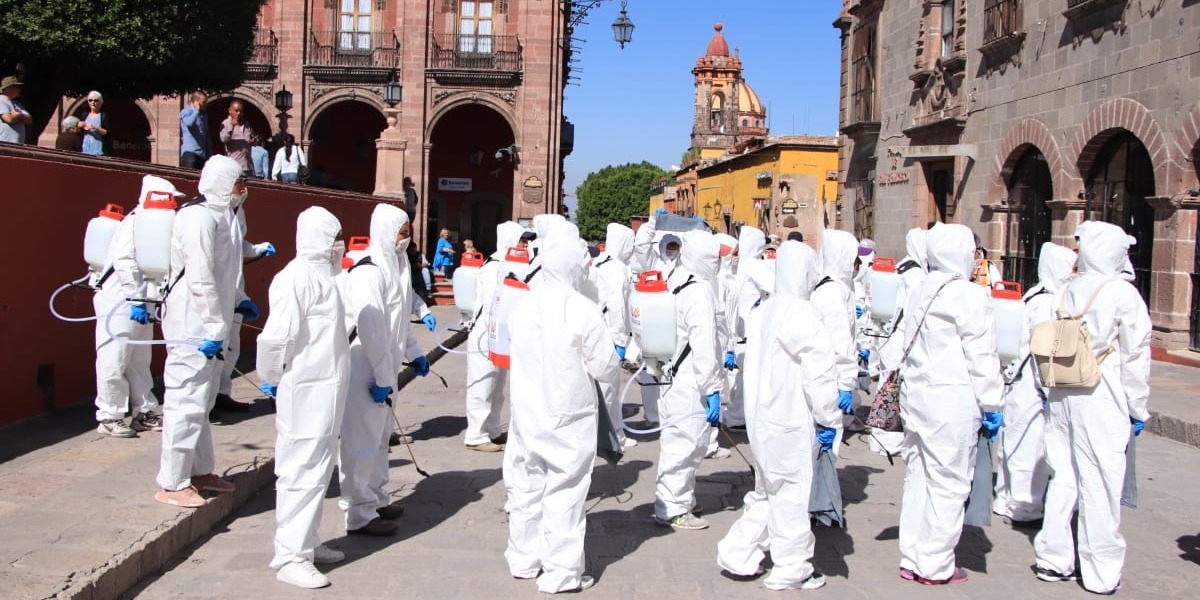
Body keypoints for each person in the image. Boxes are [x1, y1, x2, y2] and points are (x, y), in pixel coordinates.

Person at [1033, 222, 1151, 594]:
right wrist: (1137, 408)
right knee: (1099, 482)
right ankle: (1100, 570)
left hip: (1063, 392)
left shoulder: (1067, 290)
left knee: (1064, 475)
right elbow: (1135, 355)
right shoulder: (1121, 294)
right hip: (1102, 395)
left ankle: (1053, 558)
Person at [716, 240, 839, 590]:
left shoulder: (765, 309)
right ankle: (791, 567)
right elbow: (820, 375)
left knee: (767, 490)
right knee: (790, 496)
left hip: (761, 419)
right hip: (789, 419)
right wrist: (829, 418)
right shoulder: (802, 313)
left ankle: (738, 552)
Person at [504, 235, 618, 594]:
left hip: (527, 411)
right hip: (568, 416)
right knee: (565, 491)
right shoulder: (580, 308)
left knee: (526, 485)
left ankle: (524, 558)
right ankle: (562, 572)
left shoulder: (523, 305)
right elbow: (604, 366)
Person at [896, 223, 1004, 584]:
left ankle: (912, 555)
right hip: (951, 401)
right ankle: (936, 563)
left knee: (919, 478)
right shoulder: (968, 295)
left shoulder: (922, 287)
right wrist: (992, 402)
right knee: (949, 483)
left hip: (918, 397)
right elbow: (982, 355)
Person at [256, 206, 349, 589]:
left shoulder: (325, 279)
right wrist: (270, 376)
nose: (339, 245)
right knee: (301, 472)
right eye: (334, 238)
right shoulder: (295, 278)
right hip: (306, 390)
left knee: (318, 471)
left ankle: (308, 541)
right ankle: (292, 556)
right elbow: (278, 336)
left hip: (326, 391)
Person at [156, 155, 247, 508]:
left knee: (204, 402)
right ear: (223, 182)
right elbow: (200, 275)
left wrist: (239, 299)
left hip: (212, 325)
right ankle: (172, 481)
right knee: (185, 401)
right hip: (193, 325)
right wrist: (212, 325)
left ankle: (200, 470)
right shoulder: (197, 217)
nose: (244, 188)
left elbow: (227, 272)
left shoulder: (225, 217)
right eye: (239, 181)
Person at [337, 204, 431, 536]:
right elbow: (371, 328)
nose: (406, 239)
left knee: (379, 440)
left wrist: (415, 352)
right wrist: (380, 375)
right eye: (401, 233)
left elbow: (400, 318)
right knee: (360, 441)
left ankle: (376, 499)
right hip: (366, 365)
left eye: (408, 233)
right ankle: (358, 513)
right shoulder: (369, 270)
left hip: (384, 369)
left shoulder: (398, 265)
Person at [92, 175, 183, 438]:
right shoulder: (135, 222)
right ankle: (110, 415)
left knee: (140, 360)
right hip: (120, 300)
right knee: (115, 357)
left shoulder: (153, 225)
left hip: (141, 300)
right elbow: (124, 261)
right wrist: (134, 299)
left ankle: (145, 410)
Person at [992, 242, 1076, 523]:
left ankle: (1005, 497)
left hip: (1015, 379)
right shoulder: (1051, 303)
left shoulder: (1032, 295)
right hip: (1033, 382)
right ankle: (1026, 506)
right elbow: (1044, 349)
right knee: (1031, 446)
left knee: (1011, 440)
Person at [654, 231, 723, 530]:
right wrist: (713, 387)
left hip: (669, 374)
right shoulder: (699, 291)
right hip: (690, 380)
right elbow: (704, 343)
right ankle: (672, 508)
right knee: (686, 443)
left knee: (677, 440)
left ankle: (680, 499)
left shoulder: (674, 280)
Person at [212, 183, 274, 417]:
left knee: (231, 346)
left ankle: (221, 393)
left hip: (235, 290)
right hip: (218, 293)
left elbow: (238, 246)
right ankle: (207, 400)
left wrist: (257, 249)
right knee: (217, 348)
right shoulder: (209, 215)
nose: (244, 189)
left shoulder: (239, 212)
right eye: (240, 184)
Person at [463, 221, 525, 452]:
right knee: (483, 383)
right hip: (486, 332)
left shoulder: (511, 264)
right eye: (521, 240)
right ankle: (476, 434)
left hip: (500, 333)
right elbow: (494, 304)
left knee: (497, 386)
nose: (524, 245)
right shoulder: (494, 266)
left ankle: (493, 429)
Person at [591, 223, 637, 449]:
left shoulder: (598, 262)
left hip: (594, 330)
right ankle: (607, 437)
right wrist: (620, 340)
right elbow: (617, 305)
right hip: (609, 333)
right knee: (608, 388)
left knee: (605, 388)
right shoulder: (617, 267)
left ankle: (616, 433)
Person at [220, 99, 255, 176]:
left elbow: (250, 138)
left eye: (241, 111)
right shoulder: (225, 124)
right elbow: (223, 139)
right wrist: (231, 127)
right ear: (230, 110)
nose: (239, 113)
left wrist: (252, 141)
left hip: (247, 166)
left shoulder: (247, 124)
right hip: (233, 166)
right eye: (236, 110)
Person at [179, 92, 211, 169]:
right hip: (190, 153)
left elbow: (206, 136)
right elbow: (189, 123)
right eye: (204, 102)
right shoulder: (186, 112)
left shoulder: (204, 115)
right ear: (196, 102)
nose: (205, 104)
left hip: (201, 155)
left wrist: (209, 155)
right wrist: (196, 111)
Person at [0, 76, 32, 144]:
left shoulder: (18, 104)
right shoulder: (1, 100)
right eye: (17, 87)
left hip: (18, 144)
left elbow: (29, 120)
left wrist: (17, 115)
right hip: (4, 144)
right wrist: (20, 117)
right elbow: (9, 119)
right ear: (9, 88)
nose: (19, 89)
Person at [79, 91, 109, 157]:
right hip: (85, 149)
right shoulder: (84, 115)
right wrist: (79, 125)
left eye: (96, 100)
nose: (93, 102)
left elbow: (106, 132)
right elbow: (79, 130)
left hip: (98, 150)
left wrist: (95, 127)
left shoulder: (103, 116)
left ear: (100, 102)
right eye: (90, 100)